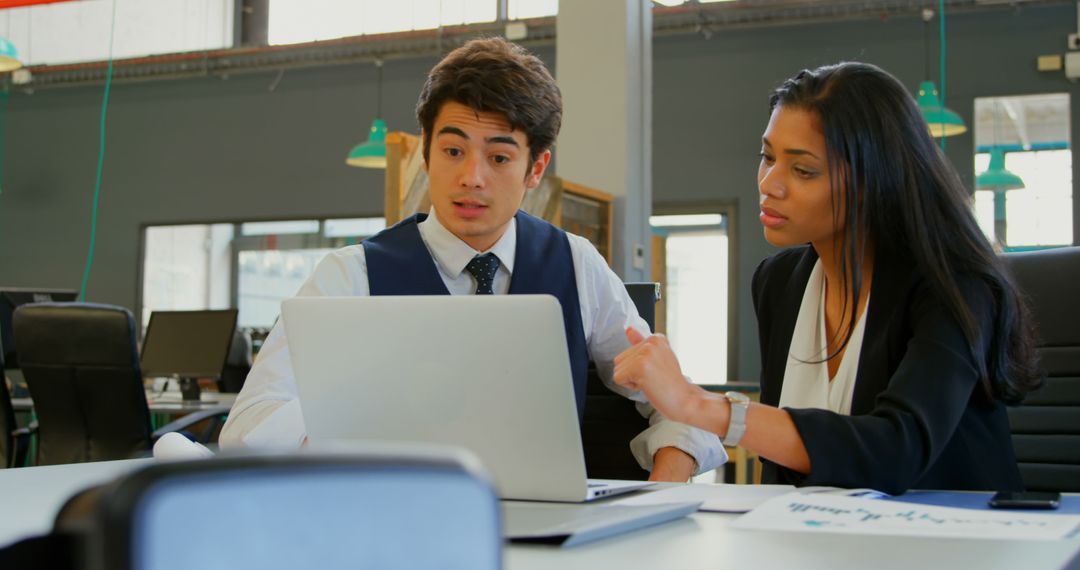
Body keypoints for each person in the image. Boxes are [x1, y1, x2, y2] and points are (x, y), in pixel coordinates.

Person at [220, 37, 725, 482]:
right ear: (427, 155)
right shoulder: (351, 274)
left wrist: (660, 491)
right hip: (396, 523)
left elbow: (677, 403)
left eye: (499, 157)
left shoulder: (576, 263)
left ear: (535, 168)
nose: (472, 178)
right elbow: (248, 428)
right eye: (453, 151)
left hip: (556, 528)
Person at [613, 62, 1042, 494]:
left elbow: (896, 453)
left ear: (875, 182)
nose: (769, 183)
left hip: (954, 542)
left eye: (803, 171)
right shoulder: (778, 282)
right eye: (767, 156)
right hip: (828, 537)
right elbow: (783, 462)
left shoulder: (954, 286)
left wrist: (696, 404)